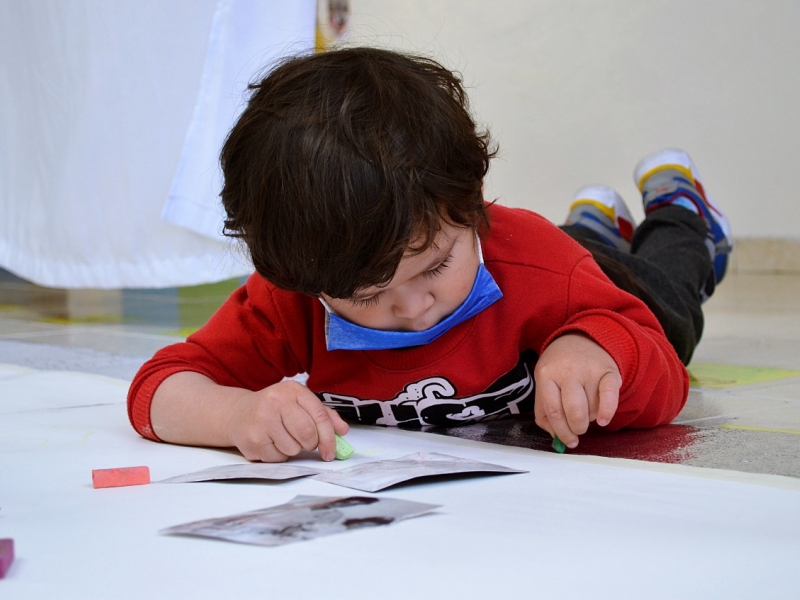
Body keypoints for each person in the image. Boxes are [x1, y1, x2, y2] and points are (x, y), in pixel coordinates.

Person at [127, 47, 732, 463]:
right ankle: (592, 222)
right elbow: (157, 389)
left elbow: (664, 379)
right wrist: (234, 416)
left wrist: (592, 347)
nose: (415, 307)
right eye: (367, 296)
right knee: (583, 246)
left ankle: (679, 208)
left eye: (436, 267)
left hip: (596, 275)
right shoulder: (296, 292)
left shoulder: (536, 267)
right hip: (562, 257)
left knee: (675, 293)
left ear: (472, 209)